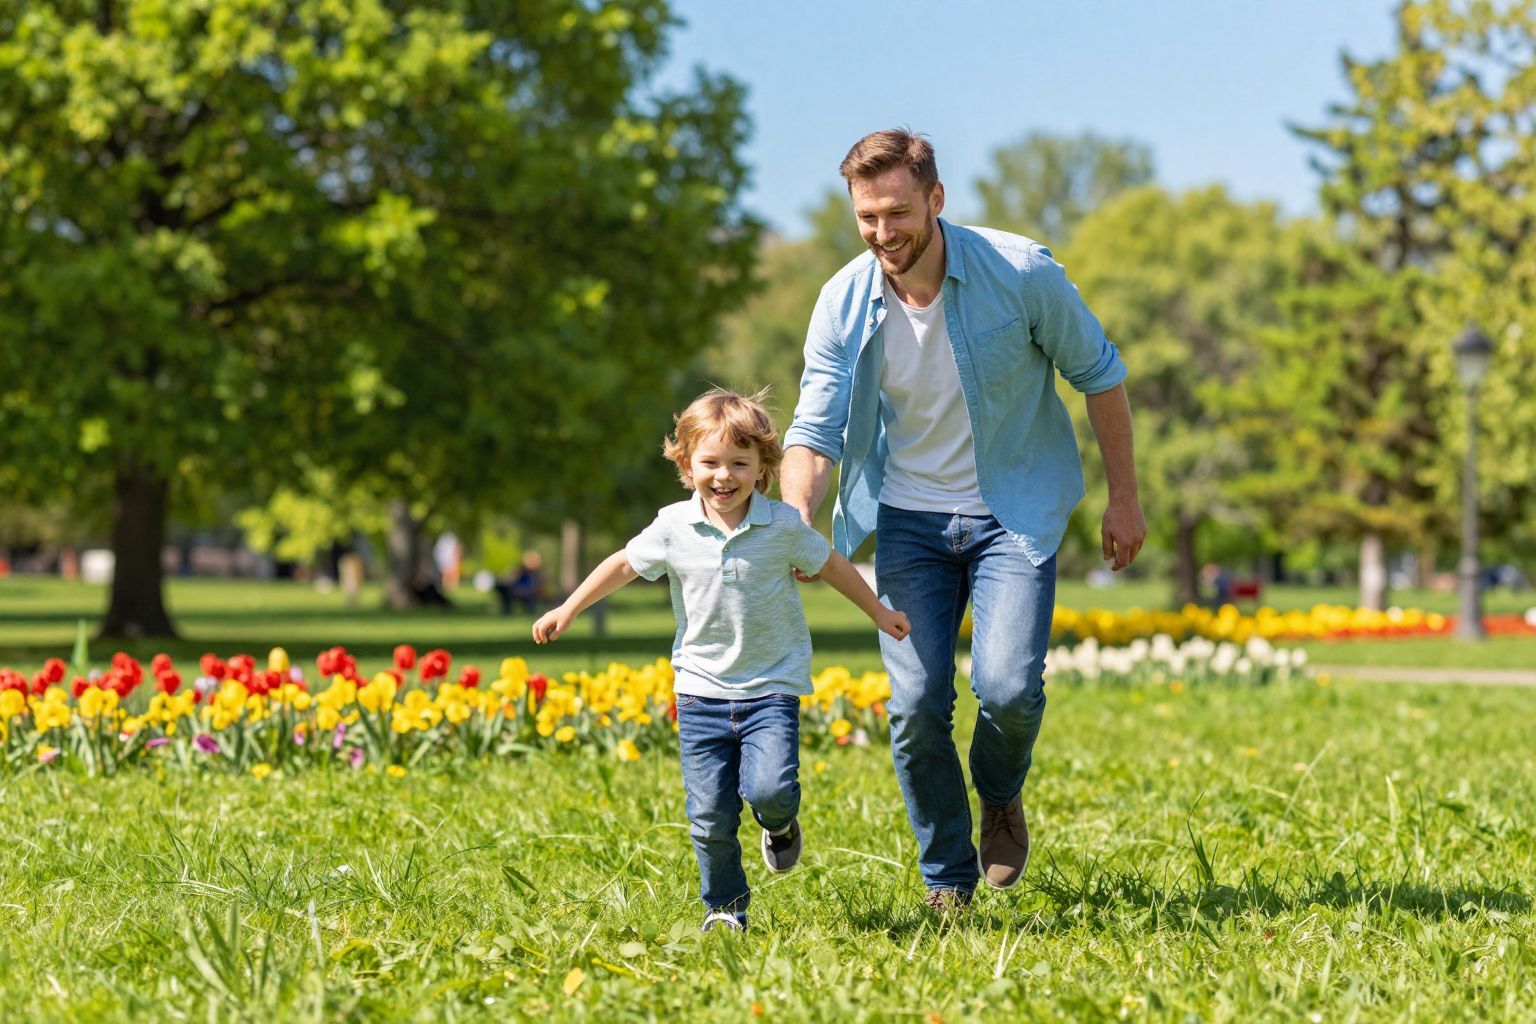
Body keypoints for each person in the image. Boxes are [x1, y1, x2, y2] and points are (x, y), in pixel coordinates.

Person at [780, 129, 1146, 913]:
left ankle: (1001, 795)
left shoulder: (1020, 274)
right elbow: (813, 428)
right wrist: (794, 517)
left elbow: (1101, 375)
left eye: (898, 212)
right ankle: (947, 877)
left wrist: (1125, 496)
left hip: (1009, 510)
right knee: (915, 706)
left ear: (936, 200)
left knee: (1009, 688)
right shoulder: (845, 299)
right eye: (867, 217)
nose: (883, 233)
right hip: (907, 519)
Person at [533, 388, 911, 933]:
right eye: (710, 462)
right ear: (687, 465)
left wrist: (878, 612)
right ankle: (725, 908)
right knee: (709, 817)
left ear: (763, 468)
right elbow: (622, 565)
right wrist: (568, 607)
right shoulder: (672, 527)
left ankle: (779, 826)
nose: (724, 476)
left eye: (740, 462)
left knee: (770, 791)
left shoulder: (782, 526)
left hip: (770, 688)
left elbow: (830, 566)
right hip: (701, 690)